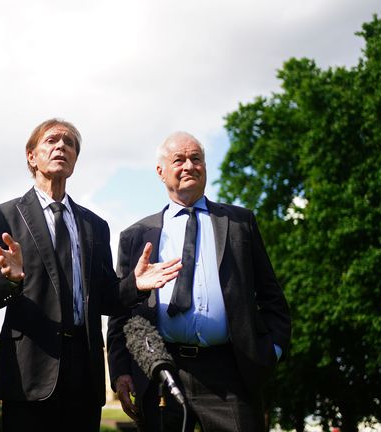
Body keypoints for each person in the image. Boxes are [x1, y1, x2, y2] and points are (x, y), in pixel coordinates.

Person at [0, 118, 182, 432]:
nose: (61, 146)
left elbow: (107, 298)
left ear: (75, 159)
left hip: (84, 374)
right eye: (52, 140)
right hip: (30, 371)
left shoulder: (94, 225)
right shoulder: (3, 215)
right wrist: (11, 279)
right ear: (31, 156)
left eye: (69, 143)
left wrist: (135, 286)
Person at [107, 131, 291, 431]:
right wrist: (120, 371)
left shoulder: (239, 223)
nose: (189, 166)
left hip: (230, 372)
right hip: (160, 374)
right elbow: (120, 312)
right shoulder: (136, 235)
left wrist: (271, 352)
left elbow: (272, 298)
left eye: (196, 159)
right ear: (160, 171)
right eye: (179, 160)